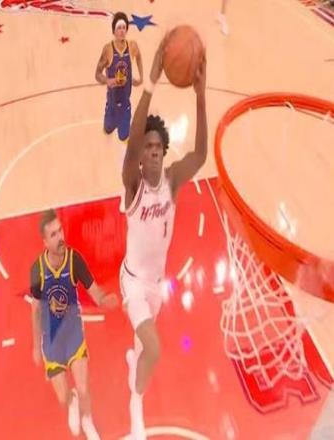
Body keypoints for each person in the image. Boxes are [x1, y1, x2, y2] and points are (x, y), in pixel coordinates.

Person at [120, 39, 207, 439]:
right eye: (148, 147)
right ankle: (135, 404)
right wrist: (151, 80)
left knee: (143, 347)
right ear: (141, 156)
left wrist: (200, 95)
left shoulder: (172, 181)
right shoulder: (133, 184)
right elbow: (132, 141)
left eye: (158, 147)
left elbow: (201, 155)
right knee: (153, 349)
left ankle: (133, 360)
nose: (153, 151)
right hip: (133, 282)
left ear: (164, 151)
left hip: (157, 284)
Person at [30, 209, 119, 439]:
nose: (60, 237)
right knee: (63, 398)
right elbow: (36, 310)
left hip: (73, 336)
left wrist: (105, 300)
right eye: (53, 234)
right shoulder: (38, 270)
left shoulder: (74, 260)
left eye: (60, 231)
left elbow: (95, 292)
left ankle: (88, 420)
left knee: (84, 387)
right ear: (45, 242)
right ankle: (71, 402)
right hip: (51, 343)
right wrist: (35, 346)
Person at [95, 12, 144, 142]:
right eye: (119, 28)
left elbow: (139, 57)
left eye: (124, 27)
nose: (122, 31)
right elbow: (97, 74)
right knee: (107, 129)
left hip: (125, 104)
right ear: (114, 31)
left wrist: (141, 77)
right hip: (112, 103)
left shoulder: (132, 46)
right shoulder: (108, 50)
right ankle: (110, 121)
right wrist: (107, 80)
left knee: (124, 137)